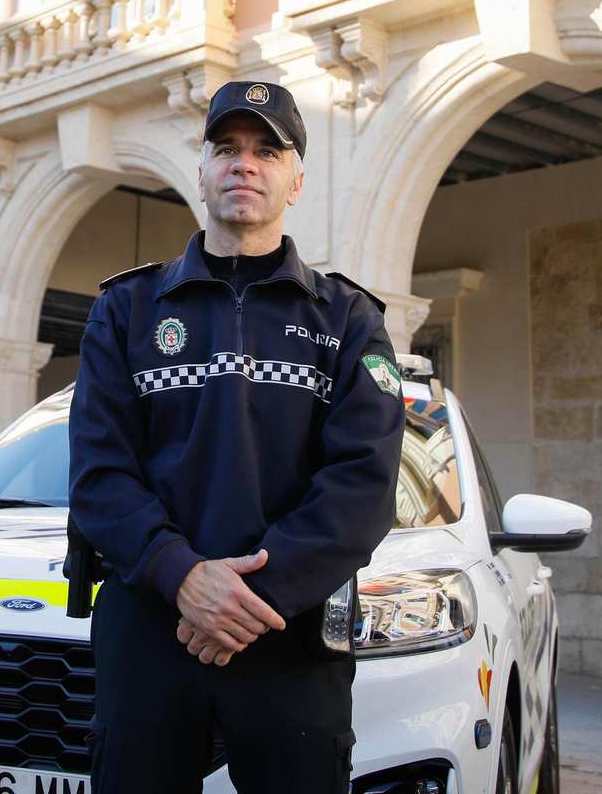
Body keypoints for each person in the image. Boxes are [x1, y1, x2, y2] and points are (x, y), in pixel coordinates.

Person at [68, 80, 406, 794]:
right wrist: (181, 575)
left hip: (288, 632)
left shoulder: (348, 319)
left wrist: (249, 597)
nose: (244, 164)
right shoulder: (126, 310)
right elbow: (99, 473)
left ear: (296, 181)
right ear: (201, 172)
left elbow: (363, 484)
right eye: (226, 148)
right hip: (153, 625)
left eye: (267, 151)